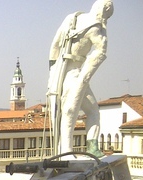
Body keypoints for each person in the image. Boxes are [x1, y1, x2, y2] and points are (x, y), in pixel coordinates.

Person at [48, 0, 113, 157]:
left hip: (59, 72)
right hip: (75, 73)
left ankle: (85, 147)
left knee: (79, 111)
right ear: (105, 12)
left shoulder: (72, 18)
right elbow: (99, 54)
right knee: (73, 111)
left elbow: (54, 46)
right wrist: (83, 79)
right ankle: (68, 151)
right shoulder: (97, 28)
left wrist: (52, 72)